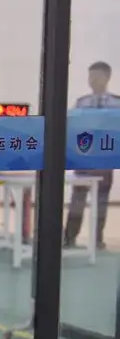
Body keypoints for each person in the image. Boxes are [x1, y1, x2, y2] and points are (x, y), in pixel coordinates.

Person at [65, 61, 120, 249]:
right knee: (77, 199)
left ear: (107, 77)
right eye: (90, 76)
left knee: (101, 201)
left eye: (96, 76)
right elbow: (72, 127)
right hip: (84, 158)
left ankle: (97, 239)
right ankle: (69, 237)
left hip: (105, 159)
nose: (92, 80)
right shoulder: (82, 103)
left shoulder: (116, 104)